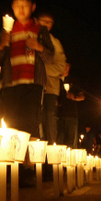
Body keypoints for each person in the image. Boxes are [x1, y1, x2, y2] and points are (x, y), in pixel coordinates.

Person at [0, 0, 54, 137]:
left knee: (31, 123)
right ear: (12, 7)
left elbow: (50, 57)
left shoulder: (40, 29)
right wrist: (1, 45)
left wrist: (38, 46)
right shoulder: (7, 30)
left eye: (25, 5)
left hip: (34, 85)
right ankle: (13, 157)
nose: (21, 9)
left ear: (33, 7)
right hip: (11, 84)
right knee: (11, 122)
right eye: (17, 5)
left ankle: (29, 158)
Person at [38, 12, 67, 144]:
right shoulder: (31, 36)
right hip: (32, 85)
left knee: (49, 117)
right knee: (34, 115)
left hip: (50, 86)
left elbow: (61, 66)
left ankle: (50, 153)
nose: (45, 24)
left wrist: (41, 70)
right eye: (43, 20)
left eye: (49, 22)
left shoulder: (55, 42)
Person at [57, 63, 85, 148]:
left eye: (67, 65)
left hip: (71, 114)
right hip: (58, 114)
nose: (65, 67)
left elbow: (82, 97)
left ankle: (69, 160)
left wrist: (75, 97)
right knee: (59, 139)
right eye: (63, 65)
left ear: (69, 67)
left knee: (70, 140)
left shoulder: (74, 81)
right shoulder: (56, 79)